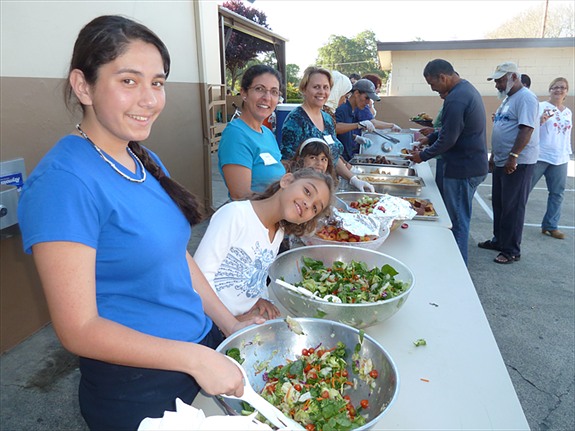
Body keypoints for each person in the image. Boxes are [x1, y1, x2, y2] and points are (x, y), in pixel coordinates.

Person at [16, 16, 264, 430]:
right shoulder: (63, 182)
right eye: (128, 81)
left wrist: (229, 325)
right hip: (140, 387)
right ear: (83, 86)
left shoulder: (139, 159)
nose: (149, 99)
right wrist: (195, 359)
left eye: (158, 82)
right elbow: (79, 329)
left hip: (201, 350)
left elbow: (175, 257)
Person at [194, 168, 333, 321]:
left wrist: (256, 299)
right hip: (212, 323)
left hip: (246, 321)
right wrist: (231, 321)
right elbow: (198, 280)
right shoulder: (235, 215)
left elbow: (253, 278)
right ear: (286, 181)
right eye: (307, 191)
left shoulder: (279, 231)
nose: (308, 204)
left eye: (315, 208)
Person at [408, 59, 488, 264]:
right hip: (470, 165)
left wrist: (422, 156)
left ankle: (458, 267)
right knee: (458, 217)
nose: (433, 89)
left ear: (443, 77)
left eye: (432, 84)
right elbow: (450, 129)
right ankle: (454, 261)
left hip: (463, 168)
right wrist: (431, 137)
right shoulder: (464, 90)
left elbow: (449, 138)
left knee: (458, 221)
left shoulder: (456, 98)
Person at [478, 62, 539, 264]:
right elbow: (501, 128)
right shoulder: (508, 99)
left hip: (519, 162)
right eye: (496, 80)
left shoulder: (526, 98)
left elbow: (526, 129)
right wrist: (494, 156)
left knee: (513, 207)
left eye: (500, 80)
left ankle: (511, 250)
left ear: (513, 77)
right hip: (502, 160)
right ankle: (499, 240)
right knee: (500, 203)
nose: (497, 84)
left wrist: (514, 156)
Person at [279, 66, 375, 192]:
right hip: (303, 190)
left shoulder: (327, 119)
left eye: (326, 87)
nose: (322, 92)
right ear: (304, 89)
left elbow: (333, 157)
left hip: (326, 188)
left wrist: (353, 179)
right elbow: (287, 163)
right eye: (316, 87)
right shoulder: (295, 120)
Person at [218, 64, 286, 200]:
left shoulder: (267, 133)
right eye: (259, 89)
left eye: (274, 92)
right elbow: (241, 196)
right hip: (252, 218)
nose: (267, 97)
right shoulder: (236, 135)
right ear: (243, 93)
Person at [529, 77, 572, 239]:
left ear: (566, 91)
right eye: (555, 87)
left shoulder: (568, 112)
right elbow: (530, 129)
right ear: (550, 90)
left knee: (557, 193)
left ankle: (551, 226)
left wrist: (567, 152)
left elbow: (566, 134)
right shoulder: (541, 107)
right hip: (540, 155)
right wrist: (541, 120)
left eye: (562, 88)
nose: (559, 90)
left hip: (560, 158)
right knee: (524, 190)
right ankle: (511, 221)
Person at [335, 79, 401, 161]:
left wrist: (355, 137)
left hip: (349, 155)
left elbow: (345, 132)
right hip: (340, 157)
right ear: (356, 93)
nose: (368, 102)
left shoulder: (353, 110)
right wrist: (358, 125)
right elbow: (335, 128)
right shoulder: (343, 109)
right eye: (366, 98)